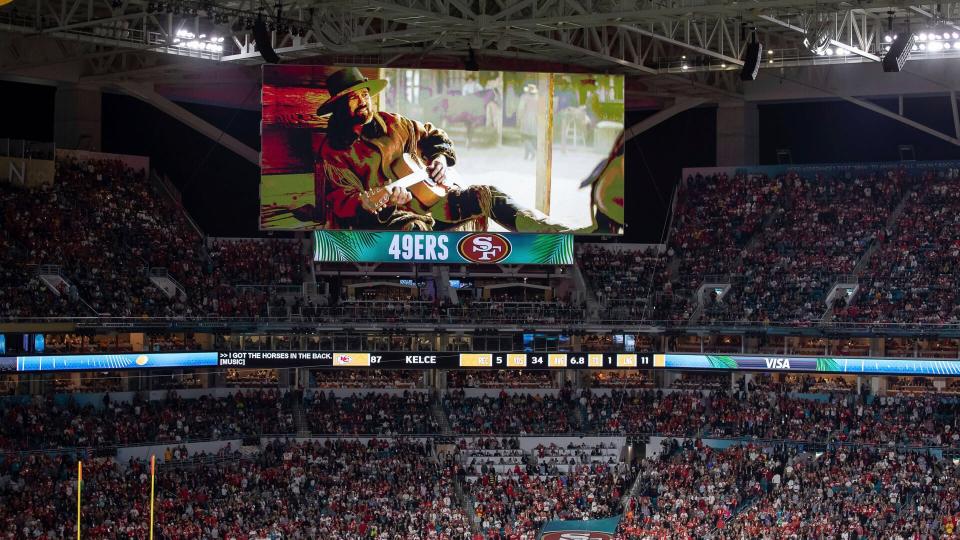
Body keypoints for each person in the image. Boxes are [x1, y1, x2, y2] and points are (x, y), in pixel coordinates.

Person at [315, 68, 575, 232]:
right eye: (352, 98)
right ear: (338, 107)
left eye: (364, 94)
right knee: (412, 229)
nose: (362, 102)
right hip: (390, 221)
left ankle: (553, 232)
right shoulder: (334, 152)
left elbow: (433, 134)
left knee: (487, 195)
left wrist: (440, 158)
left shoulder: (394, 123)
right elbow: (343, 202)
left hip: (436, 203)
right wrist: (383, 203)